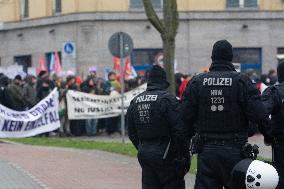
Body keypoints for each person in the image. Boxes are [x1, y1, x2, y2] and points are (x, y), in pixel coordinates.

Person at [180, 40, 269, 189]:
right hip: (235, 150)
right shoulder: (242, 81)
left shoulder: (197, 82)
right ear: (231, 57)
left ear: (212, 57)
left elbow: (184, 118)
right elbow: (260, 115)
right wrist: (269, 136)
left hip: (207, 151)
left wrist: (188, 140)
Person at [127, 65, 190, 189]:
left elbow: (131, 132)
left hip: (145, 154)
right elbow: (179, 131)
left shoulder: (135, 101)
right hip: (167, 155)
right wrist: (182, 156)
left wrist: (142, 147)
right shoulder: (168, 100)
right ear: (163, 81)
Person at [261, 61, 284, 189]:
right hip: (280, 141)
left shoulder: (273, 92)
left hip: (280, 142)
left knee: (280, 178)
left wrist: (269, 134)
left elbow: (261, 115)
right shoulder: (274, 92)